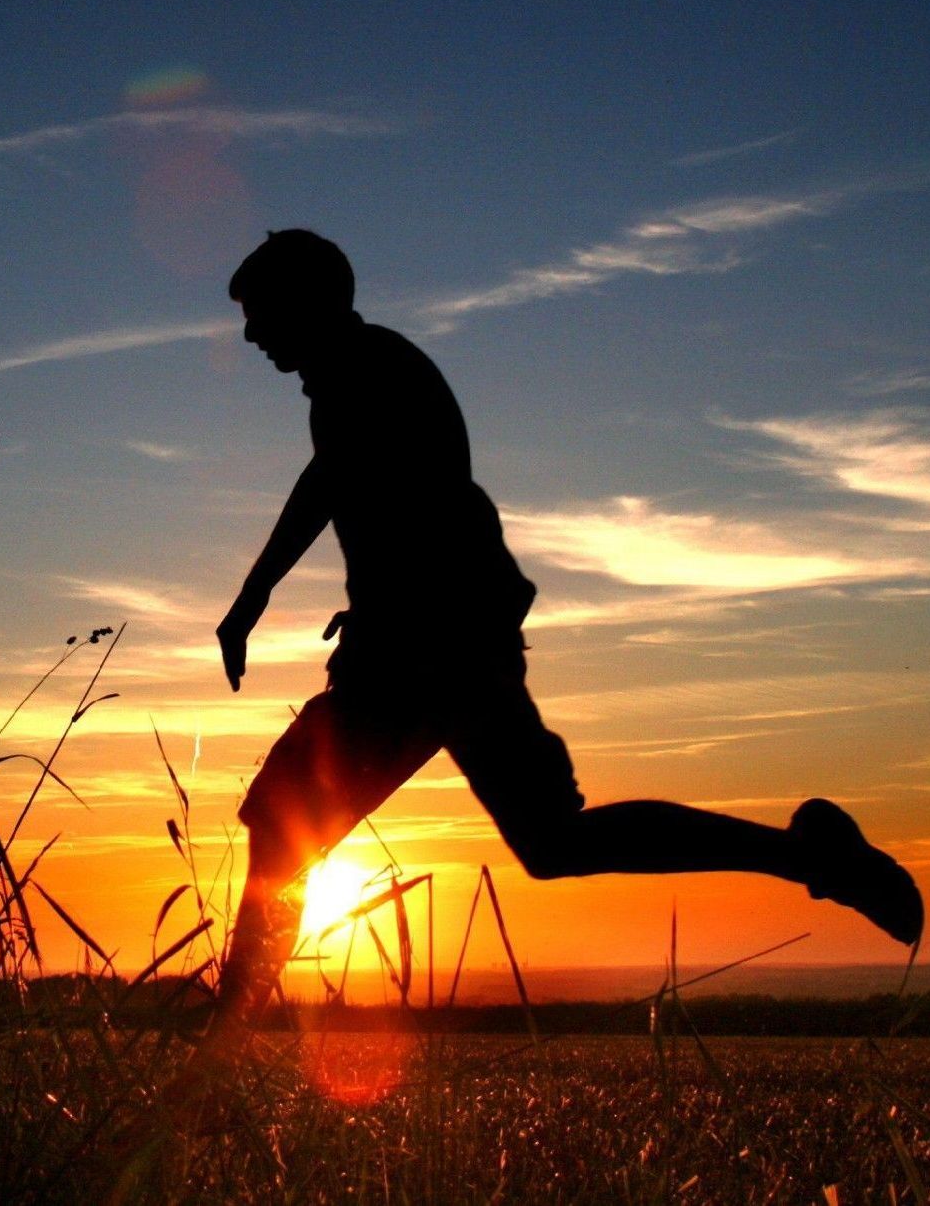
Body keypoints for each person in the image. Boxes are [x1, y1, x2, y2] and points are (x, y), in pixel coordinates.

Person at [209, 228, 923, 1034]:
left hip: (426, 649)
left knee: (282, 824)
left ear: (310, 302)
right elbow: (352, 482)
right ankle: (812, 855)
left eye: (260, 312)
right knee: (552, 841)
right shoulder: (359, 375)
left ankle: (213, 1062)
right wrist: (280, 593)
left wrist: (335, 604)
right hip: (445, 640)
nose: (250, 333)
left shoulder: (366, 373)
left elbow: (387, 492)